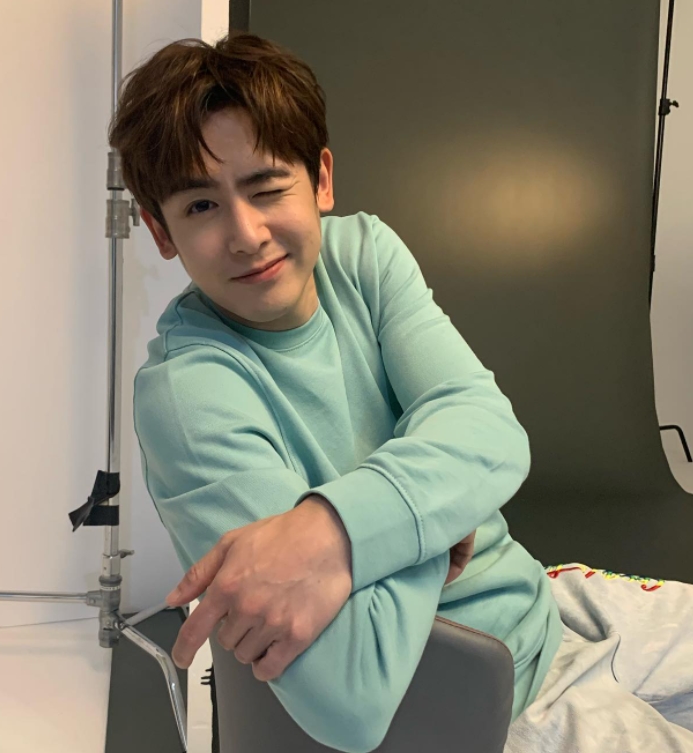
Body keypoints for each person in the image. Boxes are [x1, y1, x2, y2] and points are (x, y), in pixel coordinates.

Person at [109, 32, 693, 753]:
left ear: (321, 181)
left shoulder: (362, 254)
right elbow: (347, 697)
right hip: (481, 697)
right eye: (201, 206)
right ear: (161, 231)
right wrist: (434, 520)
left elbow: (492, 435)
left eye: (266, 188)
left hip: (544, 598)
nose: (246, 234)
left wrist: (330, 531)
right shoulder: (186, 396)